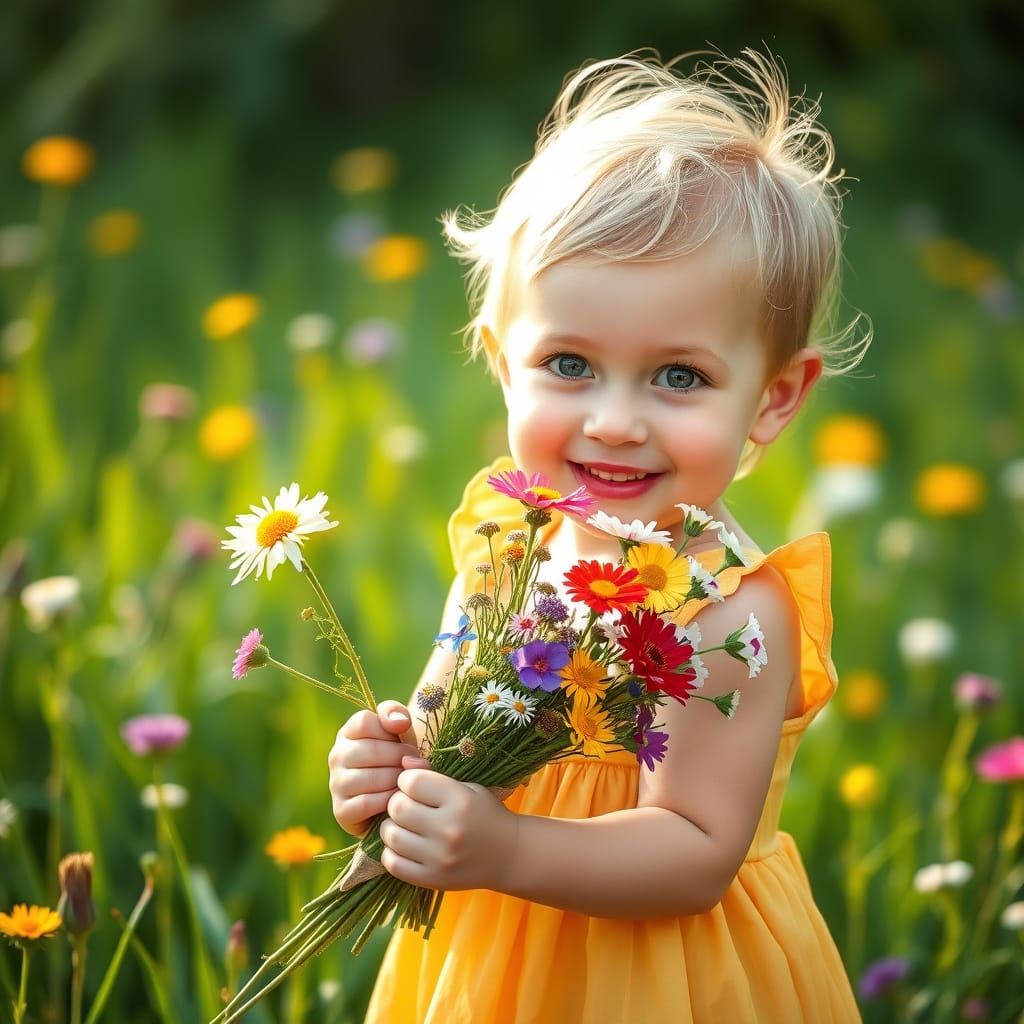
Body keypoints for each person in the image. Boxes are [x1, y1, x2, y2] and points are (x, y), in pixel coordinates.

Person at [328, 47, 869, 1023]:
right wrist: (384, 775)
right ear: (502, 363)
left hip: (661, 976)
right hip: (491, 955)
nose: (615, 420)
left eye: (677, 377)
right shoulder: (507, 551)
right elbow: (444, 737)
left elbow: (695, 850)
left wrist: (500, 849)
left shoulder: (725, 613)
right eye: (569, 363)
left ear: (773, 397)